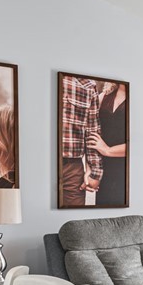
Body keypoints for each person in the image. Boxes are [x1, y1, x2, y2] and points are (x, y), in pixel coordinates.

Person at [60, 76, 102, 207]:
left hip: (72, 168)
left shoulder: (88, 86)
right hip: (37, 163)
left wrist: (95, 173)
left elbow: (92, 131)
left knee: (74, 221)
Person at [88, 82, 127, 206]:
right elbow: (91, 137)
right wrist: (90, 172)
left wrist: (108, 150)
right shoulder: (102, 96)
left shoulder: (141, 99)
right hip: (105, 171)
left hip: (128, 171)